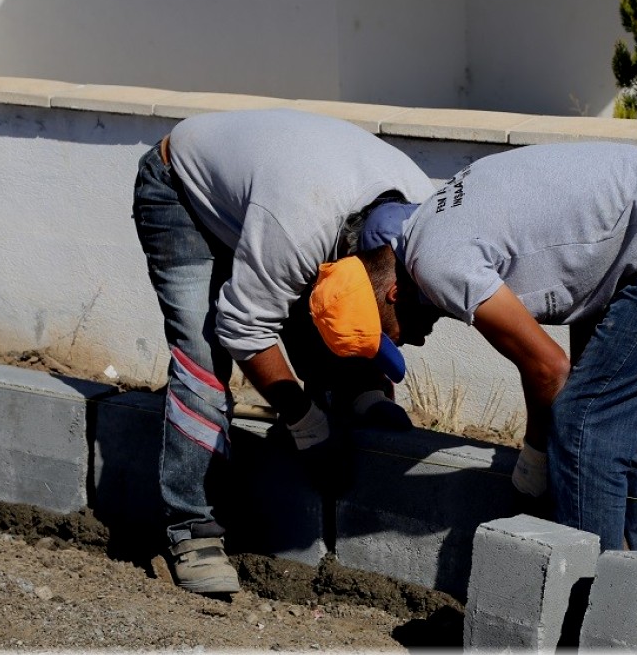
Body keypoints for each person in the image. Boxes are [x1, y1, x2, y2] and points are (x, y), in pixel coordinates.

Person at [307, 141, 637, 558]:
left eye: (392, 334)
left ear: (391, 295)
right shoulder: (429, 228)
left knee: (587, 422)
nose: (408, 341)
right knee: (626, 420)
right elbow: (540, 360)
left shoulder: (438, 263)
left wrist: (535, 457)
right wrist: (537, 453)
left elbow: (550, 369)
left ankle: (583, 615)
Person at [131, 108, 436, 596]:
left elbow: (344, 305)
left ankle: (354, 394)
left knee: (325, 327)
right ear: (393, 292)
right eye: (413, 328)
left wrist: (364, 391)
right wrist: (307, 424)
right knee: (205, 352)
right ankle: (192, 531)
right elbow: (245, 328)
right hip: (181, 190)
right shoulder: (299, 224)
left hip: (278, 196)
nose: (419, 339)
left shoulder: (427, 218)